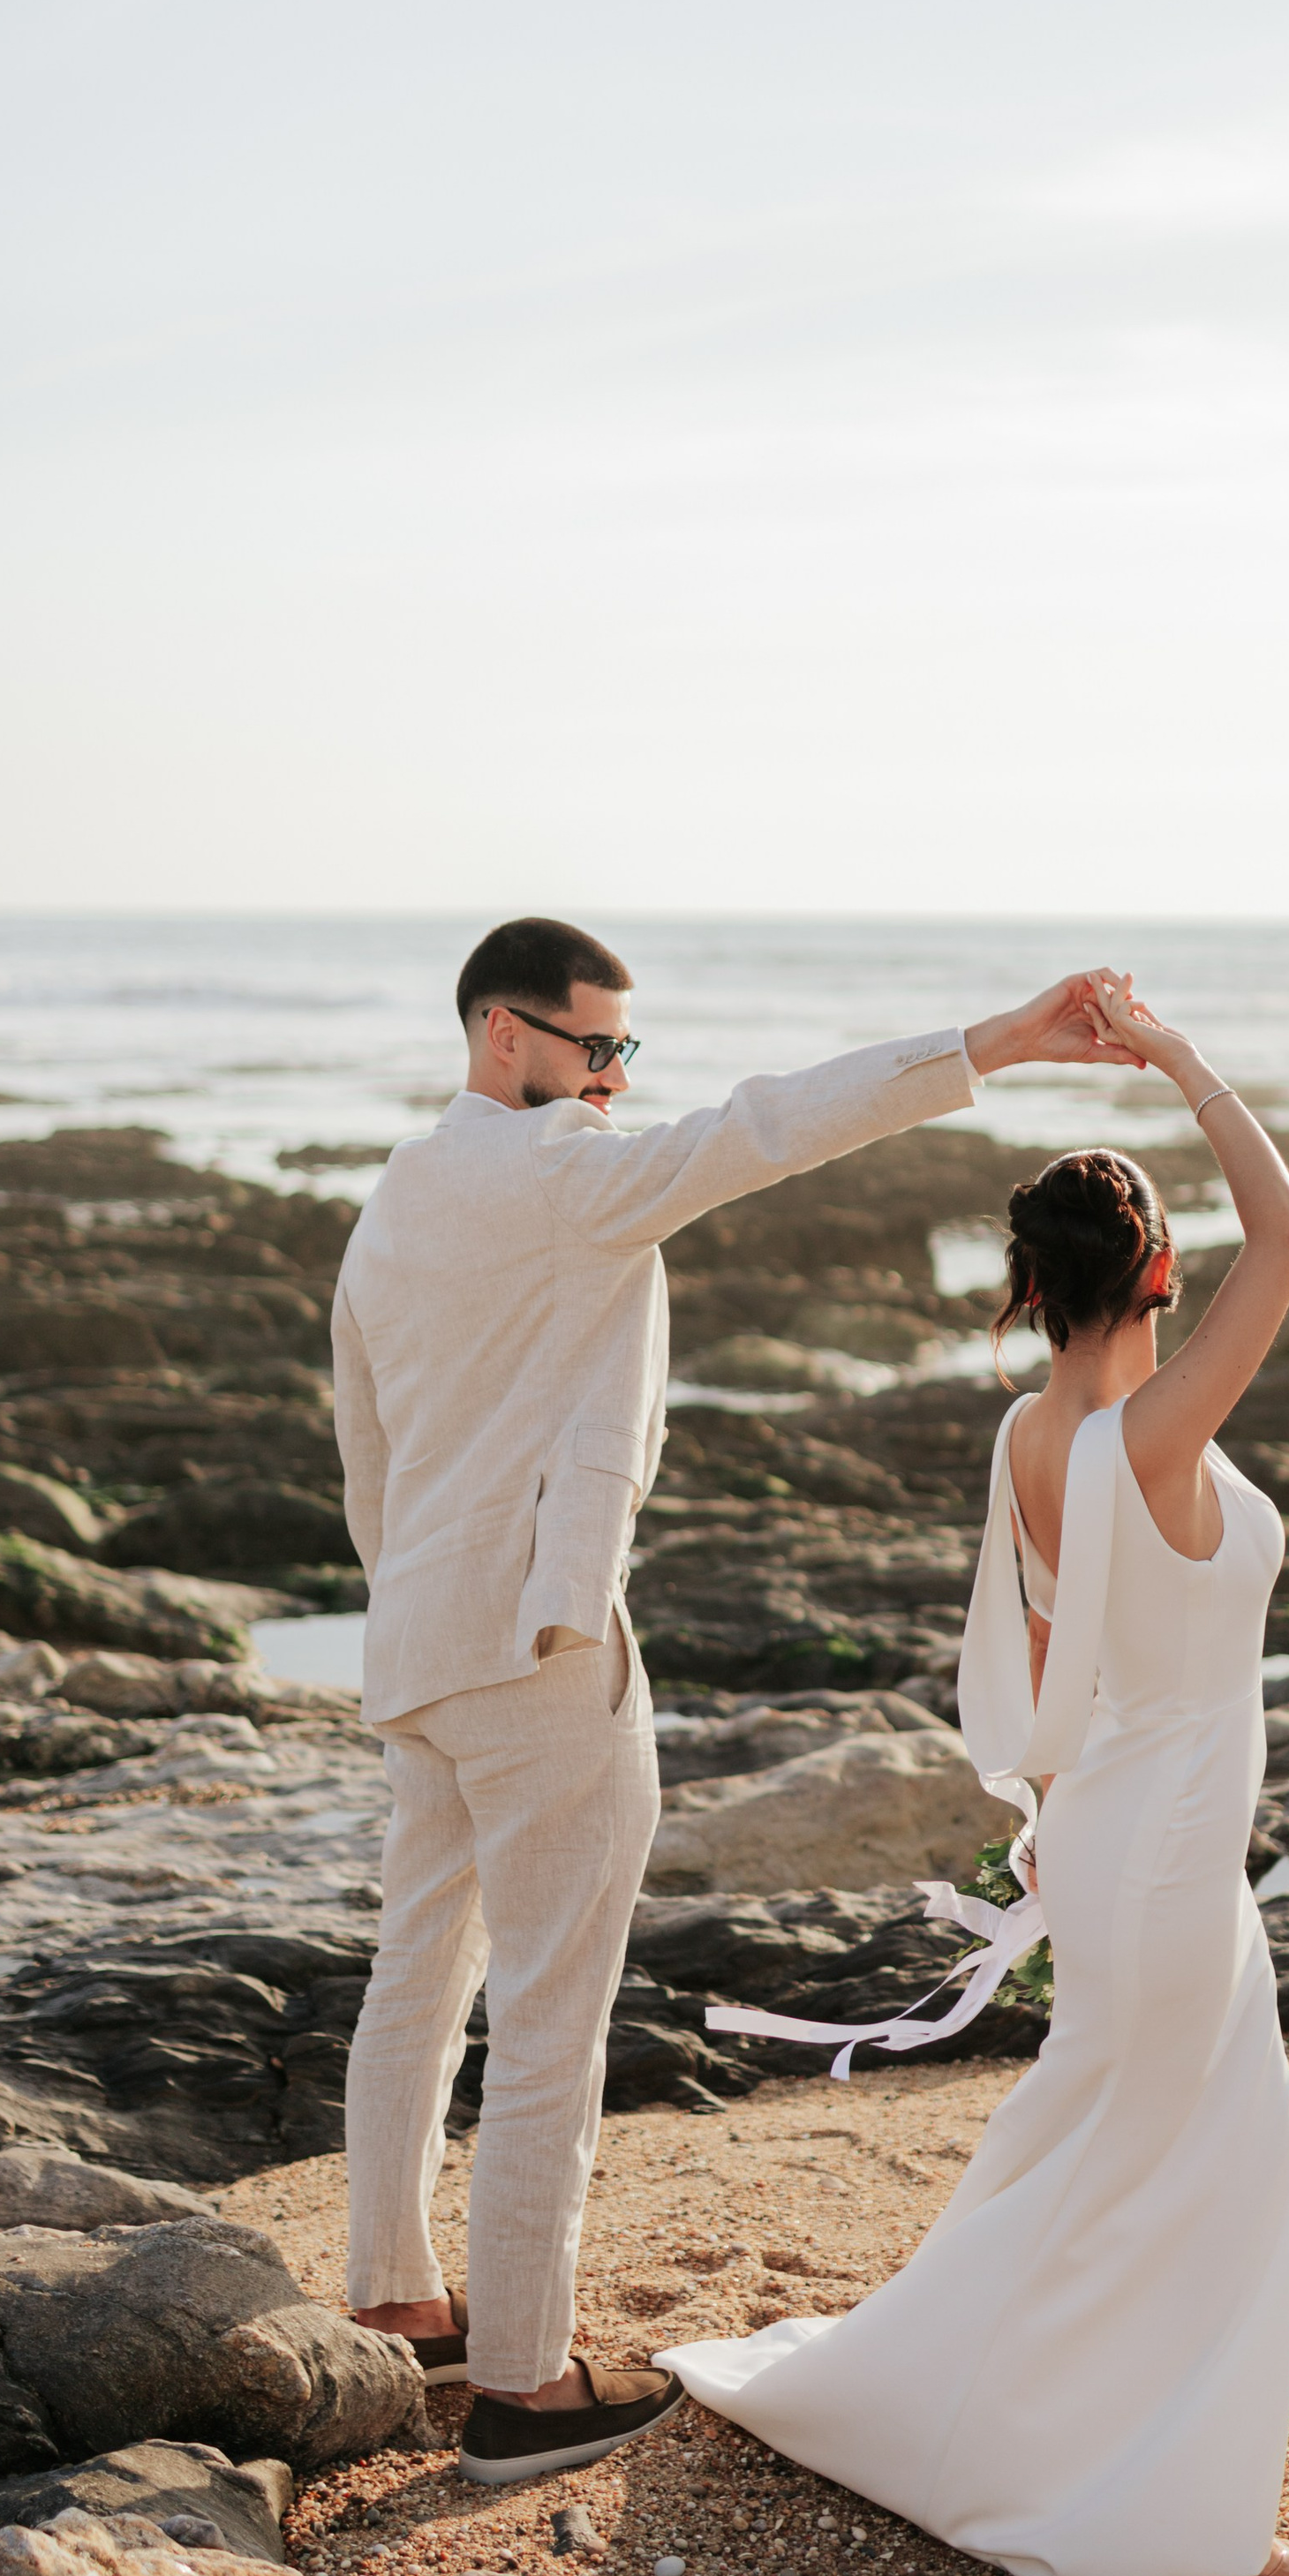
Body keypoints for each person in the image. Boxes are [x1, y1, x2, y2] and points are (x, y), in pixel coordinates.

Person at [331, 915, 1133, 2489]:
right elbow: (768, 1127)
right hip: (539, 1649)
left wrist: (410, 1600)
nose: (619, 1080)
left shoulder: (395, 1198)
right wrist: (995, 1042)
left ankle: (399, 2303)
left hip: (418, 1641)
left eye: (628, 1051)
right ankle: (524, 2385)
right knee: (549, 2016)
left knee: (415, 1978)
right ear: (504, 1034)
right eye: (597, 1048)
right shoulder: (562, 1174)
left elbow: (366, 1442)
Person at [656, 970, 1289, 2576]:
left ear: (1033, 1288)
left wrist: (1046, 1818)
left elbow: (1044, 1649)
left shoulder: (1033, 1436)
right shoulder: (1156, 1435)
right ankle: (1145, 2502)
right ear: (1158, 1272)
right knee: (1189, 2171)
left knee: (1117, 2153)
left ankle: (1073, 2447)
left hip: (1114, 1835)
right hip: (1164, 1851)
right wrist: (1176, 1056)